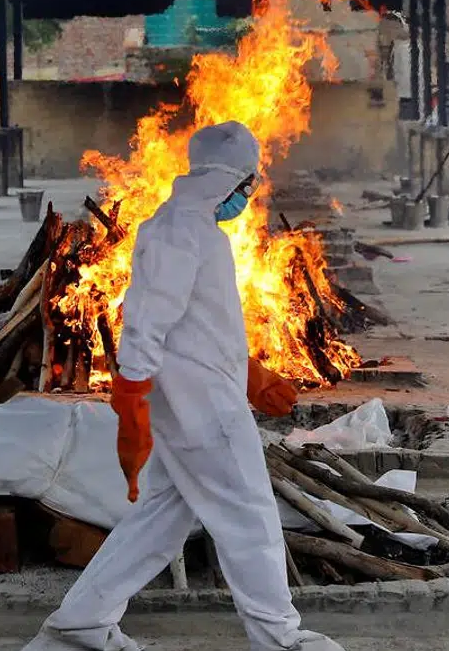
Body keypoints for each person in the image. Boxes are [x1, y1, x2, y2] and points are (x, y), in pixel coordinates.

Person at [21, 122, 343, 651]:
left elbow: (197, 322)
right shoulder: (180, 231)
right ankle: (280, 638)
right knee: (251, 516)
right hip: (201, 409)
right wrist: (131, 397)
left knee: (160, 521)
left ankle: (79, 625)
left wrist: (249, 373)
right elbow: (148, 321)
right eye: (249, 187)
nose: (249, 198)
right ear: (234, 180)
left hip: (202, 396)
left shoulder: (193, 229)